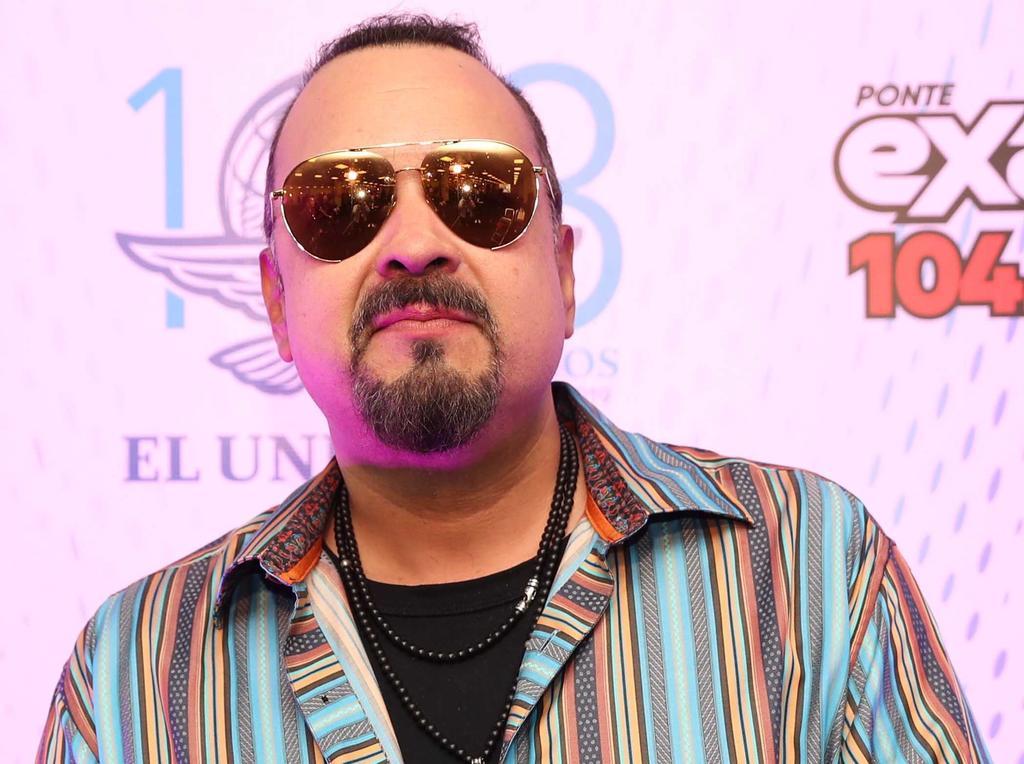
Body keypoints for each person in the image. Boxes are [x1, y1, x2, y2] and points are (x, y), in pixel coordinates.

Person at [38, 13, 990, 764]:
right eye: (341, 204)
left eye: (481, 193)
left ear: (565, 273)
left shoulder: (811, 575)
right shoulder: (132, 679)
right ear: (277, 303)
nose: (416, 244)